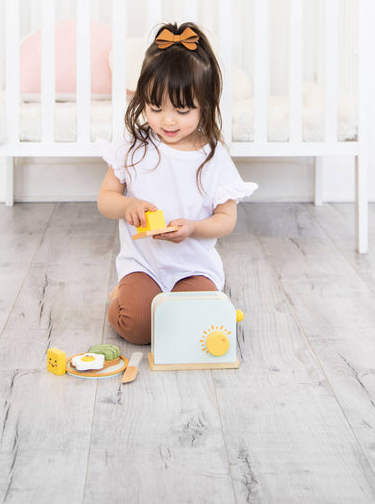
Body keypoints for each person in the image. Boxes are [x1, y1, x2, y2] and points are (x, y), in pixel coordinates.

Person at [96, 21, 258, 345]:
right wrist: (128, 204)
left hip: (193, 268)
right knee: (137, 327)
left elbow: (226, 220)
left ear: (205, 104)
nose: (168, 121)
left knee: (195, 327)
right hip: (144, 265)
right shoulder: (135, 146)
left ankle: (187, 298)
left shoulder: (213, 158)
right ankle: (122, 294)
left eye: (182, 110)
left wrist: (194, 229)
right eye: (156, 108)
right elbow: (105, 198)